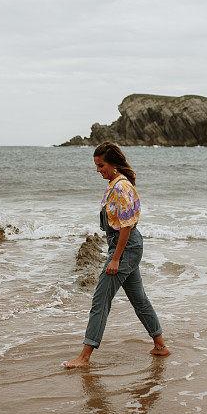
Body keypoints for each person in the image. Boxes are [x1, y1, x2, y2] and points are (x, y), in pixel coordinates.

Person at [63, 142, 170, 368]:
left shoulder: (121, 187)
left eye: (101, 165)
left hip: (125, 247)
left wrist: (115, 258)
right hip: (126, 247)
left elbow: (126, 227)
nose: (99, 170)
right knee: (139, 299)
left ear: (113, 164)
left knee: (100, 300)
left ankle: (84, 357)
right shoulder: (115, 183)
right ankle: (160, 346)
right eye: (97, 166)